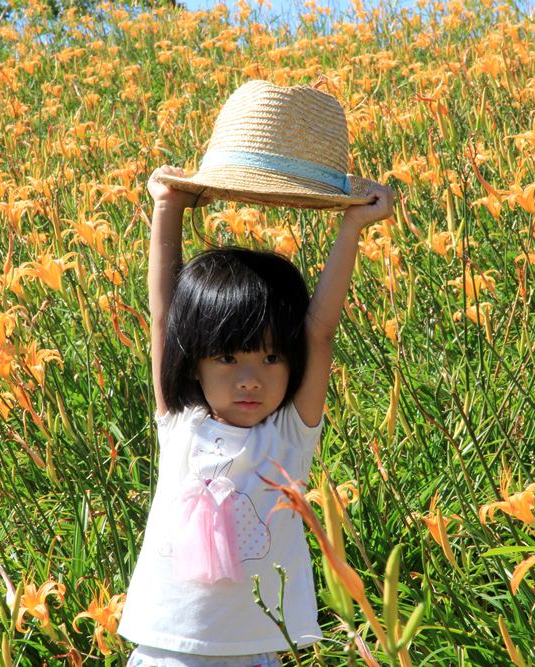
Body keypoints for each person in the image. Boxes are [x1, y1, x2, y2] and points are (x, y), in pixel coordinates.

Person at [117, 80, 395, 667]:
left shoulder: (288, 437)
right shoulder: (181, 422)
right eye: (228, 358)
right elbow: (164, 314)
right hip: (164, 651)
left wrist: (352, 229)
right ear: (191, 360)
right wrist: (167, 207)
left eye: (271, 359)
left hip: (257, 654)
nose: (251, 379)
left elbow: (319, 329)